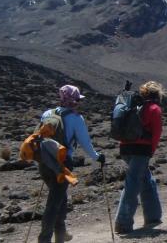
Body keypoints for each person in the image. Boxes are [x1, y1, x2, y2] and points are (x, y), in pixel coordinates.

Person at [38, 85, 105, 243]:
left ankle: (61, 234)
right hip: (63, 163)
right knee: (54, 203)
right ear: (74, 101)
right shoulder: (76, 118)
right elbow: (85, 143)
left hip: (44, 161)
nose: (78, 103)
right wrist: (97, 157)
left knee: (59, 197)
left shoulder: (47, 113)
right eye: (77, 100)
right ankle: (45, 239)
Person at [114, 81, 165, 234]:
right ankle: (123, 223)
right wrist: (151, 151)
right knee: (133, 183)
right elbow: (156, 133)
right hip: (141, 150)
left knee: (146, 180)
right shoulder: (154, 109)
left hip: (125, 147)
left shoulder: (132, 106)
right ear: (157, 94)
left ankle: (153, 216)